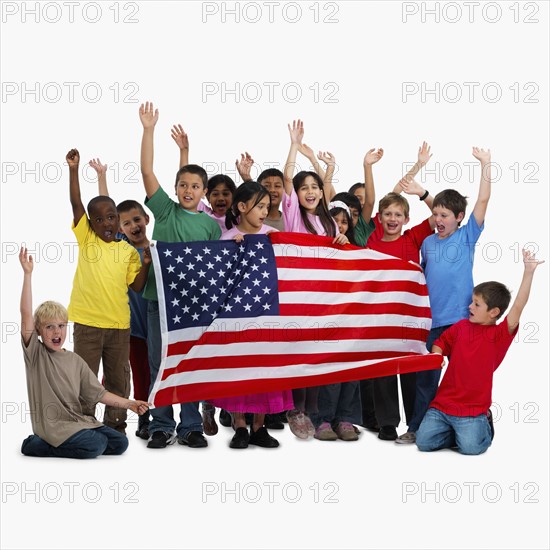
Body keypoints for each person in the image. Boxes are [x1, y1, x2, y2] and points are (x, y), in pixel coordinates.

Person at [139, 101, 221, 449]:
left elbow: (216, 266)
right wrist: (148, 130)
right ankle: (161, 423)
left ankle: (190, 425)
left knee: (191, 361)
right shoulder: (166, 212)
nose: (188, 190)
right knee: (160, 363)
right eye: (183, 185)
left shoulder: (209, 225)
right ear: (175, 190)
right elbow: (146, 173)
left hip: (194, 307)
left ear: (204, 193)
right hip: (161, 303)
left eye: (195, 186)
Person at [397, 147, 492, 443]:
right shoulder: (426, 242)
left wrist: (486, 164)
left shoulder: (466, 237)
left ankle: (476, 419)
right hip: (432, 322)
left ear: (459, 218)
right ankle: (416, 427)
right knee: (425, 380)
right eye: (435, 214)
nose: (438, 219)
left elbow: (483, 199)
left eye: (445, 215)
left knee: (464, 378)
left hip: (462, 322)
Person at [18, 247, 149, 458]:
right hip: (54, 428)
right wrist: (27, 274)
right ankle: (38, 444)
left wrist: (130, 403)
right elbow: (25, 314)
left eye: (61, 325)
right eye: (49, 327)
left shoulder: (74, 360)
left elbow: (99, 393)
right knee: (95, 446)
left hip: (78, 423)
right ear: (39, 331)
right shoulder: (36, 355)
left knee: (120, 443)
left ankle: (76, 440)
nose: (56, 331)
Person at [416, 249, 544, 454]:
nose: (470, 306)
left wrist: (528, 272)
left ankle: (484, 424)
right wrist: (437, 355)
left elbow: (518, 306)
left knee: (472, 448)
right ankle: (454, 433)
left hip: (472, 411)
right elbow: (440, 342)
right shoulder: (460, 326)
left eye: (476, 304)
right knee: (424, 442)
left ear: (494, 312)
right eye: (471, 301)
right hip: (442, 405)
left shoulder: (499, 335)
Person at [65, 149, 150, 434]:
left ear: (118, 219)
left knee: (118, 380)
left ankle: (116, 426)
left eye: (111, 217)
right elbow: (76, 202)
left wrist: (146, 264)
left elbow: (136, 286)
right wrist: (74, 169)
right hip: (88, 325)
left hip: (118, 327)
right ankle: (84, 424)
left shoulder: (126, 250)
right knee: (86, 379)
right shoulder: (87, 239)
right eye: (99, 220)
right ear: (90, 223)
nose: (107, 224)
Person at [208, 181, 294, 448]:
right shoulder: (227, 237)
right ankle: (240, 425)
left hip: (268, 315)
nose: (265, 212)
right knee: (238, 370)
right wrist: (233, 251)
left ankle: (259, 426)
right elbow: (218, 279)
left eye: (268, 207)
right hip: (237, 317)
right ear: (242, 207)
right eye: (260, 206)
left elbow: (292, 264)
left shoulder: (272, 235)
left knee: (265, 369)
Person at [282, 119, 348, 439]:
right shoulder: (294, 214)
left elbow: (341, 254)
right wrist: (294, 145)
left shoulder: (328, 221)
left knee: (318, 356)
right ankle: (295, 409)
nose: (310, 191)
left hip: (324, 298)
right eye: (303, 187)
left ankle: (310, 409)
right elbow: (286, 179)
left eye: (314, 187)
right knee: (299, 354)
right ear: (296, 194)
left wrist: (344, 243)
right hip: (298, 296)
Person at [89, 158, 153, 440]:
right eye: (126, 223)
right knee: (124, 374)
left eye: (137, 219)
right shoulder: (121, 247)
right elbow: (108, 211)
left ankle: (152, 416)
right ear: (121, 229)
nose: (132, 225)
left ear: (146, 220)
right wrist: (102, 177)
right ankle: (116, 419)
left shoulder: (157, 248)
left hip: (156, 327)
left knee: (150, 375)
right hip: (128, 328)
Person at [367, 178, 435, 441]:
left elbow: (436, 213)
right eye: (387, 214)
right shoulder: (372, 238)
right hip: (379, 316)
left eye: (398, 214)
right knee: (383, 370)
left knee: (410, 371)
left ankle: (414, 422)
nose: (392, 218)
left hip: (409, 317)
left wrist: (422, 192)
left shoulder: (412, 237)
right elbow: (375, 206)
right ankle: (386, 423)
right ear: (380, 218)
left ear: (406, 219)